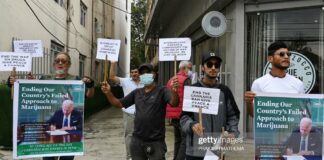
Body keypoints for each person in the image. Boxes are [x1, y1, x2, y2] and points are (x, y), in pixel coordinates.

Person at [8, 52, 94, 160]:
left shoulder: (75, 79)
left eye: (63, 61)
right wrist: (15, 83)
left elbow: (88, 95)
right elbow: (32, 92)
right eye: (57, 61)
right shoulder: (45, 78)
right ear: (54, 64)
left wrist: (90, 85)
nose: (60, 63)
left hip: (69, 138)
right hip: (49, 129)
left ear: (69, 64)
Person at [101, 63, 180, 160]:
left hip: (156, 142)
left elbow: (174, 103)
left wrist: (174, 91)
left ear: (154, 74)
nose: (145, 75)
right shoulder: (136, 93)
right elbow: (118, 104)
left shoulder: (162, 91)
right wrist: (108, 93)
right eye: (142, 73)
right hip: (137, 141)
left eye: (148, 73)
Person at [180, 51, 240, 159]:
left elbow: (233, 115)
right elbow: (184, 117)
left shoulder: (224, 91)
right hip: (195, 150)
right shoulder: (193, 90)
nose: (213, 68)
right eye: (209, 64)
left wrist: (232, 132)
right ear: (203, 67)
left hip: (217, 149)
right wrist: (192, 125)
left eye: (216, 65)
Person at [244, 41, 304, 117]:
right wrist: (248, 102)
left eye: (288, 54)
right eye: (281, 54)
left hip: (292, 127)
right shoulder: (259, 83)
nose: (286, 57)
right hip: (268, 127)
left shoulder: (298, 83)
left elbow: (302, 112)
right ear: (270, 58)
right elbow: (254, 115)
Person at [109, 61, 143, 160]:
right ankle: (129, 156)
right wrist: (113, 64)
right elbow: (112, 77)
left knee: (143, 134)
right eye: (132, 72)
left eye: (136, 72)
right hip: (129, 113)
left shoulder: (145, 82)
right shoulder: (125, 81)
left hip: (143, 113)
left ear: (139, 73)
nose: (134, 74)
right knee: (130, 135)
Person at [166, 60, 192, 160]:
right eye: (189, 68)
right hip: (183, 115)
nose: (190, 71)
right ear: (184, 68)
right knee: (185, 141)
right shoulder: (186, 80)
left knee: (177, 140)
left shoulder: (171, 80)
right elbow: (190, 96)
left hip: (174, 115)